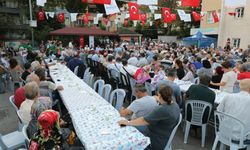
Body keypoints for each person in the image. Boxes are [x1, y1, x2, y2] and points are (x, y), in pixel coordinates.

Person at [118, 85, 180, 150]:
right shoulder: (175, 105)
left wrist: (127, 122)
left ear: (160, 96)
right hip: (164, 135)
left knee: (127, 131)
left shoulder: (162, 109)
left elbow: (143, 120)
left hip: (155, 140)